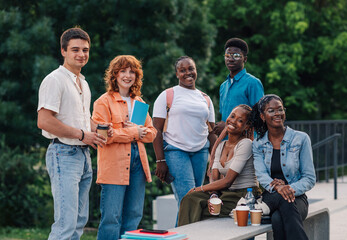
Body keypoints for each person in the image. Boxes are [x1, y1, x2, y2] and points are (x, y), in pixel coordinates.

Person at [37, 27, 110, 240]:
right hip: (63, 153)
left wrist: (97, 127)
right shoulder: (55, 79)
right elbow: (44, 121)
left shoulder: (83, 83)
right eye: (75, 49)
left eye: (85, 50)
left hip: (83, 156)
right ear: (63, 51)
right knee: (65, 224)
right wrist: (81, 134)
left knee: (78, 222)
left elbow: (82, 118)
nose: (81, 54)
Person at [92, 55, 157, 240]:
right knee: (111, 218)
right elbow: (105, 136)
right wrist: (136, 133)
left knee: (134, 216)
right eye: (123, 71)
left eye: (132, 72)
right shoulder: (103, 102)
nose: (128, 75)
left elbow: (152, 134)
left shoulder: (139, 102)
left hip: (138, 163)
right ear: (114, 75)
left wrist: (137, 131)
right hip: (113, 165)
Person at [177, 105, 261, 226]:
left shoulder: (246, 144)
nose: (233, 121)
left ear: (246, 126)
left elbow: (227, 181)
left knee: (198, 208)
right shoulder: (221, 146)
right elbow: (214, 177)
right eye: (232, 116)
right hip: (226, 193)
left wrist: (198, 188)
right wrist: (214, 194)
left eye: (240, 120)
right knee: (189, 199)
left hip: (245, 195)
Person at [152, 56, 217, 210]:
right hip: (176, 151)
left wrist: (215, 161)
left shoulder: (205, 99)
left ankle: (183, 234)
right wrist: (160, 161)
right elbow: (156, 130)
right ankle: (185, 234)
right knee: (188, 199)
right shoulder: (167, 95)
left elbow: (212, 133)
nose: (188, 73)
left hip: (201, 152)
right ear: (177, 74)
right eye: (183, 70)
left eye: (191, 69)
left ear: (196, 70)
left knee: (195, 200)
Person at [251, 94, 316, 240]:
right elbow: (262, 176)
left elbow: (309, 178)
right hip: (271, 194)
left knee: (277, 219)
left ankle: (268, 204)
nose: (277, 114)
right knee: (279, 214)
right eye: (271, 110)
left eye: (280, 109)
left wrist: (288, 188)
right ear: (263, 116)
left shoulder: (301, 139)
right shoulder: (258, 144)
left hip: (296, 196)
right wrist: (278, 188)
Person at [213, 37, 264, 136]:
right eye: (227, 55)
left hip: (246, 141)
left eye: (236, 56)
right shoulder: (223, 86)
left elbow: (260, 117)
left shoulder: (253, 83)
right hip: (226, 142)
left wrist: (228, 126)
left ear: (245, 59)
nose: (231, 59)